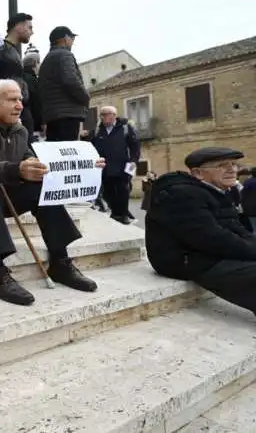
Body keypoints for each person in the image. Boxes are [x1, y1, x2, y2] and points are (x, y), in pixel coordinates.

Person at [0, 79, 101, 306]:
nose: (20, 105)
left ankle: (60, 261)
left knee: (40, 186)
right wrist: (15, 170)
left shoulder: (19, 129)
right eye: (12, 99)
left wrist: (84, 164)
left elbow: (33, 162)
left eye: (20, 99)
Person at [146, 148, 256, 315]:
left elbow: (237, 229)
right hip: (184, 260)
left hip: (205, 254)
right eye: (222, 165)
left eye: (233, 164)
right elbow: (212, 238)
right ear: (198, 174)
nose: (232, 170)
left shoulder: (216, 191)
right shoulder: (182, 194)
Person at [0, 13, 36, 141]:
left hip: (19, 107)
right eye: (29, 27)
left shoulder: (12, 50)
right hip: (7, 110)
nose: (32, 32)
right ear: (19, 27)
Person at [38, 26, 90, 141]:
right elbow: (71, 81)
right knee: (68, 150)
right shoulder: (65, 55)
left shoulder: (46, 60)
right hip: (68, 114)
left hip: (52, 115)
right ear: (66, 38)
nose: (72, 42)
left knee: (57, 151)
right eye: (72, 38)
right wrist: (86, 96)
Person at [89, 106, 141, 224]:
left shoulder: (125, 128)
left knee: (123, 191)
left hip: (123, 167)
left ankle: (122, 216)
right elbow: (91, 146)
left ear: (114, 115)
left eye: (107, 114)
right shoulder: (97, 130)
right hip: (105, 169)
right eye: (102, 115)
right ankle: (115, 213)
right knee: (107, 192)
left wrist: (133, 165)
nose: (104, 117)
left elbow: (135, 148)